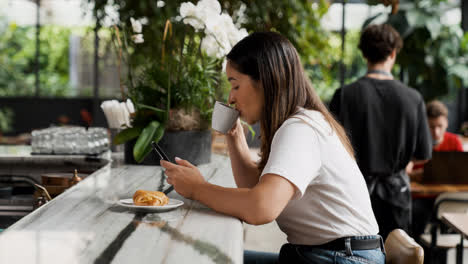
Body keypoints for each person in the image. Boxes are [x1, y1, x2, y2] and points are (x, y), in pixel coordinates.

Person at [161, 32, 384, 264]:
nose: (231, 97)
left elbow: (260, 208)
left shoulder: (301, 128)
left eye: (235, 85)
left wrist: (198, 188)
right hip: (329, 254)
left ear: (266, 81)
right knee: (208, 256)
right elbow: (255, 187)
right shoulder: (298, 123)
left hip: (341, 258)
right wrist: (235, 135)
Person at [329, 24, 432, 240]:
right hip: (397, 197)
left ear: (364, 54)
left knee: (356, 255)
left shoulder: (345, 95)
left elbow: (330, 149)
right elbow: (424, 152)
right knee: (398, 253)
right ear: (393, 54)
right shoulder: (413, 99)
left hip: (353, 194)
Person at [408, 100, 463, 178]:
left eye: (440, 126)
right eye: (431, 127)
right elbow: (404, 173)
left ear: (446, 123)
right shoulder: (414, 142)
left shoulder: (455, 141)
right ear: (424, 125)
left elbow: (461, 169)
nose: (436, 132)